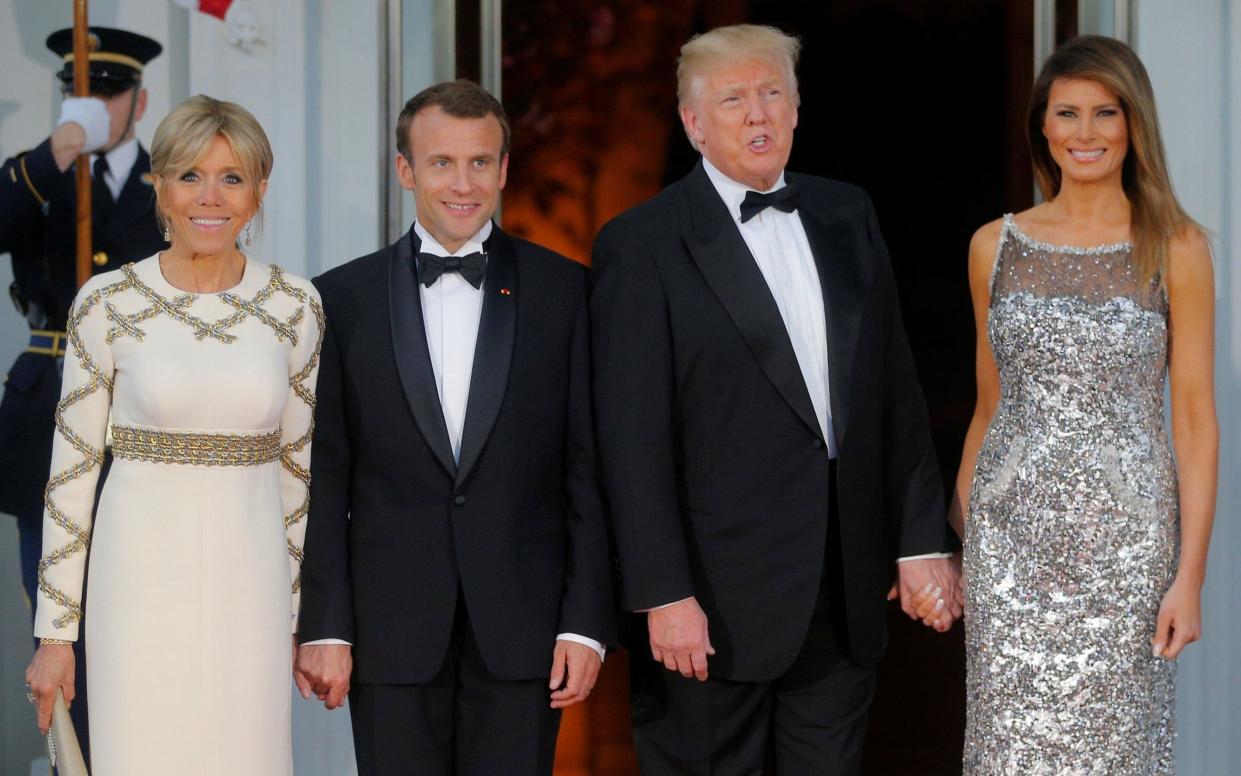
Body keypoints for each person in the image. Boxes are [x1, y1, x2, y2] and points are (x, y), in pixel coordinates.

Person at [590, 24, 959, 775]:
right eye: (732, 99)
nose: (756, 115)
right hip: (708, 611)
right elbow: (630, 438)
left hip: (843, 597)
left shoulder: (846, 213)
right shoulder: (642, 242)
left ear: (795, 109)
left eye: (771, 94)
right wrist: (662, 593)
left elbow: (892, 387)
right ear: (693, 124)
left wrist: (920, 540)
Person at [295, 79, 616, 776]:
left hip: (524, 630)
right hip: (387, 629)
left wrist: (585, 622)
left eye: (480, 162)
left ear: (504, 170)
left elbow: (589, 470)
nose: (462, 183)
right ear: (406, 170)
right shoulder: (337, 298)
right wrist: (323, 624)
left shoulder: (567, 292)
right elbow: (325, 474)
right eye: (441, 162)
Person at [24, 95, 323, 776]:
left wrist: (299, 616)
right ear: (158, 186)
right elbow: (68, 483)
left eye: (231, 177)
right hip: (136, 592)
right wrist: (56, 633)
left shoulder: (295, 306)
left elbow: (297, 478)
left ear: (259, 190)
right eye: (188, 175)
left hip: (253, 595)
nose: (209, 197)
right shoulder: (105, 303)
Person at [952, 35, 1217, 774]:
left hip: (1126, 558)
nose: (1086, 132)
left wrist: (1187, 576)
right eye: (1066, 113)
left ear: (1133, 125)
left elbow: (1194, 420)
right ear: (1042, 126)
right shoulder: (991, 246)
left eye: (1105, 113)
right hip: (1007, 554)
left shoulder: (1177, 248)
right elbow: (986, 410)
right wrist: (964, 536)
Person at [1, 27, 163, 759]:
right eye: (80, 90)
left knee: (143, 617)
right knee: (57, 620)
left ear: (140, 101)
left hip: (145, 414)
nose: (95, 104)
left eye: (109, 92)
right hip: (50, 411)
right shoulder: (38, 173)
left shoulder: (176, 181)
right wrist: (58, 149)